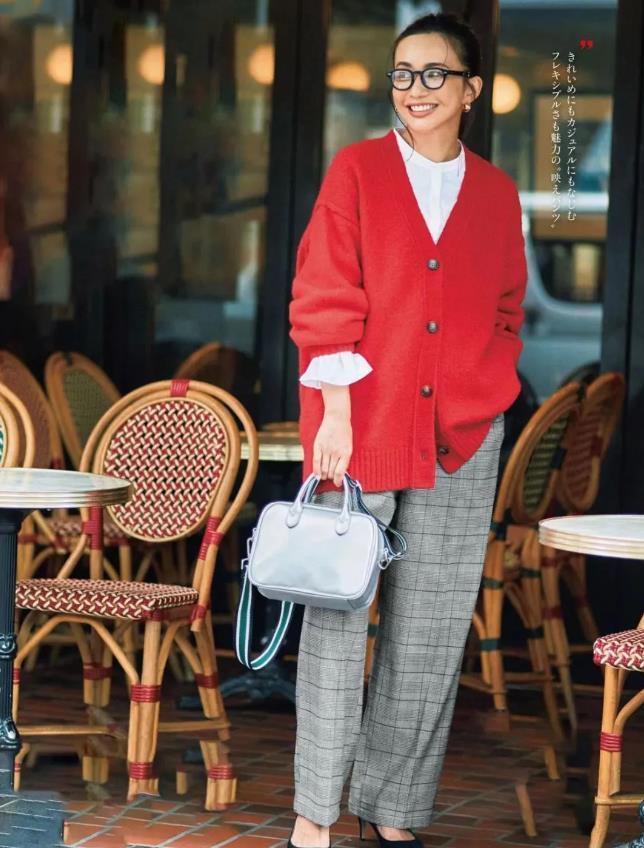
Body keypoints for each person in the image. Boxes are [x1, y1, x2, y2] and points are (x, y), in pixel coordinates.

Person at [287, 12, 527, 848]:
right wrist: (337, 413)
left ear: (472, 89)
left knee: (429, 634)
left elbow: (506, 309)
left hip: (463, 437)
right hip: (359, 430)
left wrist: (487, 388)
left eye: (434, 74)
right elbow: (323, 292)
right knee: (336, 624)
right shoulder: (356, 171)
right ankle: (314, 817)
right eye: (402, 73)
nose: (415, 89)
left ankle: (391, 814)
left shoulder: (496, 193)